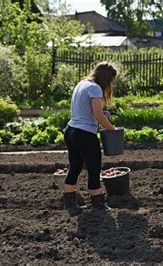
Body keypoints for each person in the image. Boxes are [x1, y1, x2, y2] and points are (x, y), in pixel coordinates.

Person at [62, 62, 117, 215]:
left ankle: (70, 204)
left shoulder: (82, 83)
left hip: (71, 131)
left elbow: (90, 110)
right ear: (106, 78)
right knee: (94, 168)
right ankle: (98, 204)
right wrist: (112, 129)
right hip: (84, 134)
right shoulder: (95, 88)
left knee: (74, 167)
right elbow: (98, 116)